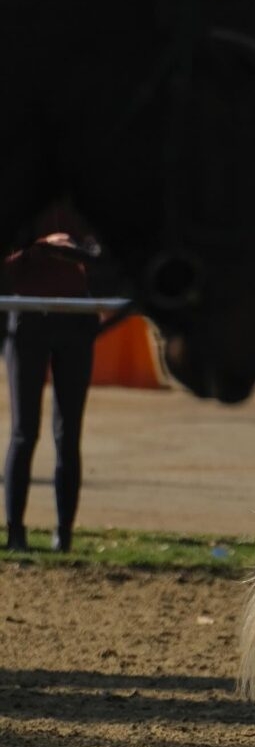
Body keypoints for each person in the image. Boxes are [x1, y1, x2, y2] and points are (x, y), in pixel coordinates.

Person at [3, 202, 101, 552]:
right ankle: (15, 532)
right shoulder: (22, 197)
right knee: (24, 431)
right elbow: (9, 266)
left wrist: (78, 251)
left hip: (74, 319)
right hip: (27, 319)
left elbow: (103, 257)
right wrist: (42, 246)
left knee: (68, 432)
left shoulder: (83, 203)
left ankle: (64, 533)